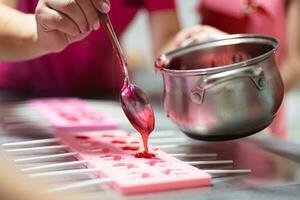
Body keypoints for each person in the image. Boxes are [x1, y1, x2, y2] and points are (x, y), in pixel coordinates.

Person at [167, 0, 300, 139]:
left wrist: (253, 104)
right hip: (209, 117)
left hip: (261, 120)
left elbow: (295, 63)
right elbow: (203, 53)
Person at [0, 0, 180, 97]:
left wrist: (186, 46)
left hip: (102, 94)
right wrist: (38, 33)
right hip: (20, 92)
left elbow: (167, 38)